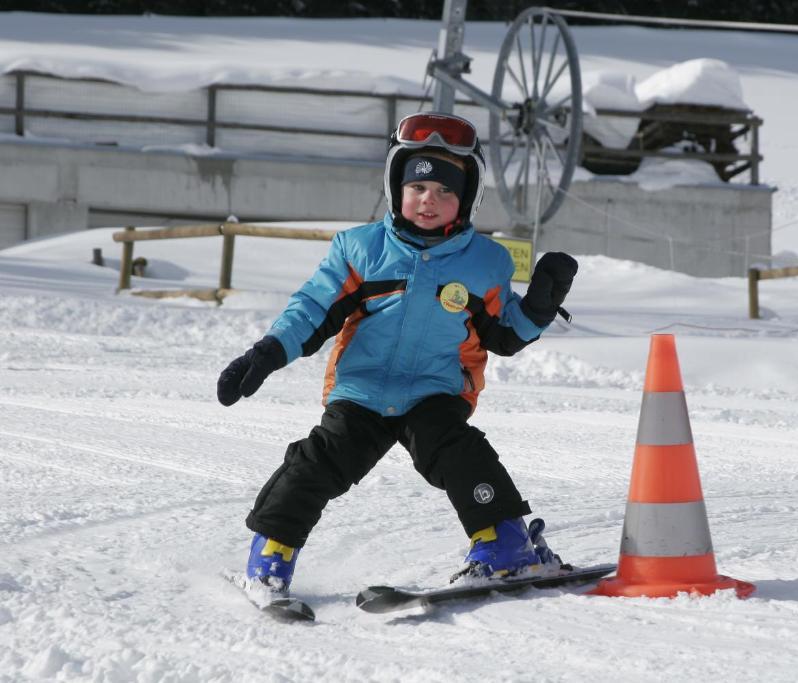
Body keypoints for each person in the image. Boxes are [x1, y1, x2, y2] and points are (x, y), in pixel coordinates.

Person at [217, 112, 578, 595]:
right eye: (418, 187)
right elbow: (312, 309)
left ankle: (505, 544)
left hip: (437, 389)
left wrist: (539, 306)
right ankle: (272, 556)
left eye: (446, 192)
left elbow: (504, 335)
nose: (430, 200)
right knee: (318, 462)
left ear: (467, 199)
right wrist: (266, 353)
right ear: (396, 187)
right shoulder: (359, 250)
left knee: (457, 452)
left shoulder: (484, 264)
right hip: (362, 391)